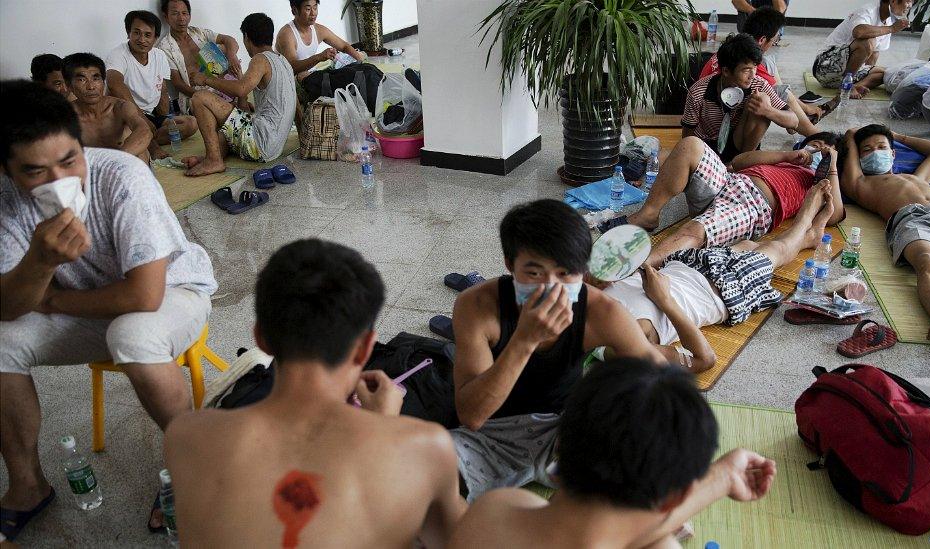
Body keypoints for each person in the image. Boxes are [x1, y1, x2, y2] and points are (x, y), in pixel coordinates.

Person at [0, 80, 217, 541]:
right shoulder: (5, 200)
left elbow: (144, 295)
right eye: (35, 172)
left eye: (69, 160)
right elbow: (6, 306)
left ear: (82, 144)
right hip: (88, 307)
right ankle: (28, 486)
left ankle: (191, 468)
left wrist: (52, 298)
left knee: (132, 333)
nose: (60, 182)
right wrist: (40, 263)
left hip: (171, 292)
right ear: (8, 171)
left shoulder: (122, 176)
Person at [164, 239, 466, 548]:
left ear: (260, 339)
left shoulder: (185, 436)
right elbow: (457, 539)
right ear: (365, 347)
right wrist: (386, 427)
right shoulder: (426, 449)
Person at [450, 199, 663, 502]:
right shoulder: (477, 305)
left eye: (565, 275)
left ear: (583, 271)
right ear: (510, 265)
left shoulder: (601, 312)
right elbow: (471, 416)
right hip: (489, 436)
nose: (550, 288)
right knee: (426, 475)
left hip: (566, 429)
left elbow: (660, 379)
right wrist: (524, 341)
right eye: (534, 274)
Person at [447, 358, 778, 549]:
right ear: (670, 502)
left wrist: (722, 477)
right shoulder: (654, 541)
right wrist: (715, 480)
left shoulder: (495, 512)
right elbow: (629, 533)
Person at [602, 182, 835, 373]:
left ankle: (809, 238)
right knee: (775, 252)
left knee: (747, 245)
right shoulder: (624, 350)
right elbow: (704, 360)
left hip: (685, 266)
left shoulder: (582, 294)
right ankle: (805, 220)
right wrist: (664, 300)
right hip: (722, 292)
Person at [605, 133, 845, 267]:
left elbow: (834, 215)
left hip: (752, 204)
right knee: (691, 144)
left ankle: (641, 267)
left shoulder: (817, 184)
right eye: (815, 146)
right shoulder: (784, 159)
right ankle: (649, 214)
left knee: (696, 230)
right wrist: (786, 155)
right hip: (729, 180)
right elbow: (739, 162)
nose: (817, 153)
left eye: (824, 153)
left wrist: (831, 164)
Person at [841, 124, 930, 345]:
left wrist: (897, 136)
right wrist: (852, 138)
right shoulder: (861, 183)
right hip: (912, 221)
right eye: (867, 149)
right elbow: (851, 146)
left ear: (893, 153)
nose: (875, 152)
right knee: (928, 263)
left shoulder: (918, 177)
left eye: (882, 147)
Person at [181, 13, 297, 176]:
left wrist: (205, 79)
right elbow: (245, 106)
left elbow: (241, 89)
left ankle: (214, 161)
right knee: (225, 132)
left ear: (247, 38)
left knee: (200, 98)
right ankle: (209, 157)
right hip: (273, 147)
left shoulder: (260, 59)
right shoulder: (283, 61)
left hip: (260, 142)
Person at [700, 8, 840, 137]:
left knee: (769, 62)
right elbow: (779, 92)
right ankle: (814, 133)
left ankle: (804, 115)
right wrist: (803, 108)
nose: (774, 43)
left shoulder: (734, 48)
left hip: (715, 111)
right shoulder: (749, 65)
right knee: (778, 93)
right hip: (722, 122)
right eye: (775, 39)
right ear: (762, 40)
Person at [682, 34, 799, 164]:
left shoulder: (758, 85)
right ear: (726, 71)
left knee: (761, 99)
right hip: (708, 150)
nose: (753, 75)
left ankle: (742, 163)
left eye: (755, 67)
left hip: (743, 149)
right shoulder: (699, 91)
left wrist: (767, 111)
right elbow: (688, 136)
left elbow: (794, 122)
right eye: (746, 70)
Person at [106, 10, 197, 156]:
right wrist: (141, 118)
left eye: (148, 35)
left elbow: (163, 92)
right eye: (136, 33)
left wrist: (165, 120)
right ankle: (150, 145)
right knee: (133, 129)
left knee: (191, 124)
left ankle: (145, 138)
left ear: (155, 38)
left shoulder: (159, 55)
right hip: (124, 117)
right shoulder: (118, 55)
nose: (142, 39)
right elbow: (114, 84)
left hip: (150, 115)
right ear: (128, 33)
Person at [156, 0, 247, 116]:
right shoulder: (164, 48)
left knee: (225, 48)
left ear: (189, 15)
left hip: (219, 83)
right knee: (224, 110)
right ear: (166, 17)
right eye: (175, 13)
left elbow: (230, 40)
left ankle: (238, 104)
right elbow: (178, 83)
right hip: (196, 94)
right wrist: (204, 97)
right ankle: (235, 109)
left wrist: (232, 57)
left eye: (185, 13)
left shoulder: (198, 32)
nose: (181, 18)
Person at [63, 53, 153, 164]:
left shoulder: (119, 107)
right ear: (68, 86)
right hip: (95, 172)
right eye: (82, 80)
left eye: (96, 79)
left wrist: (115, 162)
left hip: (129, 169)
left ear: (103, 81)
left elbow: (144, 131)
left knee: (140, 153)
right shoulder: (65, 117)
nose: (91, 86)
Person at [276, 0, 368, 108]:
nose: (313, 13)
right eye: (308, 9)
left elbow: (344, 46)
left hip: (312, 75)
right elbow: (292, 68)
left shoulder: (318, 29)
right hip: (291, 81)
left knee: (358, 59)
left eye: (315, 7)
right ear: (295, 10)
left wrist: (361, 61)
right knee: (307, 75)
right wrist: (319, 57)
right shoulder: (287, 34)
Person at [812, 0, 913, 97]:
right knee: (868, 42)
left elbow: (874, 53)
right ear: (893, 1)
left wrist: (867, 73)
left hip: (840, 77)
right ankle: (847, 86)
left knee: (887, 75)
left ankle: (855, 85)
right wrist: (892, 29)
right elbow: (858, 32)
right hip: (825, 67)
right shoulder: (868, 10)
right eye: (908, 1)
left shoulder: (889, 21)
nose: (910, 5)